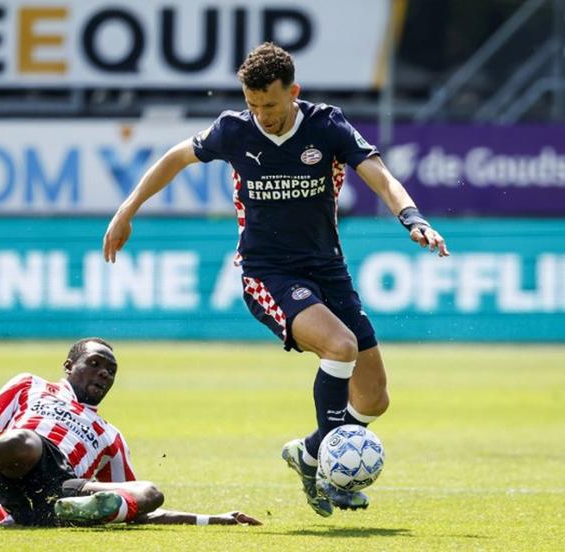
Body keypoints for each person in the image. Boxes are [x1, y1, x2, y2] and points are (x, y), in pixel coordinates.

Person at [102, 43, 450, 518]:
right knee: (340, 346)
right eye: (253, 104)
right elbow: (176, 157)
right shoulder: (233, 130)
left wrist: (412, 218)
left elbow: (380, 175)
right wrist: (126, 211)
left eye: (270, 104)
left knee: (373, 399)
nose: (262, 115)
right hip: (267, 272)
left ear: (293, 92)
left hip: (328, 269)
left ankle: (309, 454)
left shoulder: (326, 126)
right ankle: (329, 471)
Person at [0, 338, 261, 528]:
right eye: (96, 363)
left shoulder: (110, 435)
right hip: (18, 475)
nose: (104, 373)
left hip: (62, 494)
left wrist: (212, 520)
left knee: (150, 490)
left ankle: (82, 512)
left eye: (111, 371)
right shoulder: (29, 386)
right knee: (22, 441)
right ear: (68, 366)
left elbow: (142, 508)